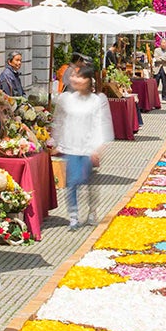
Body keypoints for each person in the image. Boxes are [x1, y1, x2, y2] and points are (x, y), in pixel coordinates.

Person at [51, 64, 113, 229]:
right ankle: (73, 216)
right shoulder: (66, 99)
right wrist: (55, 142)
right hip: (70, 146)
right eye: (73, 76)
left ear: (87, 80)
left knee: (85, 180)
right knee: (72, 182)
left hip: (88, 147)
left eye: (79, 76)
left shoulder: (97, 100)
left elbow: (101, 124)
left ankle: (92, 209)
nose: (74, 79)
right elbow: (59, 122)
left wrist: (98, 147)